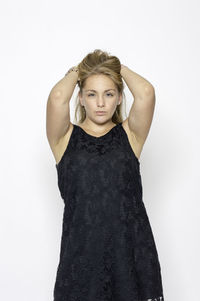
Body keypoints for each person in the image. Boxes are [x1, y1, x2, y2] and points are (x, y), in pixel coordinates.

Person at [46, 49, 165, 301]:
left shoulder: (131, 136)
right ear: (80, 98)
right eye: (92, 94)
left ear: (120, 97)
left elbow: (146, 93)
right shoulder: (64, 139)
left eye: (109, 94)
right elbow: (57, 97)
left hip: (131, 259)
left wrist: (114, 67)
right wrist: (82, 69)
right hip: (80, 263)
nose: (100, 103)